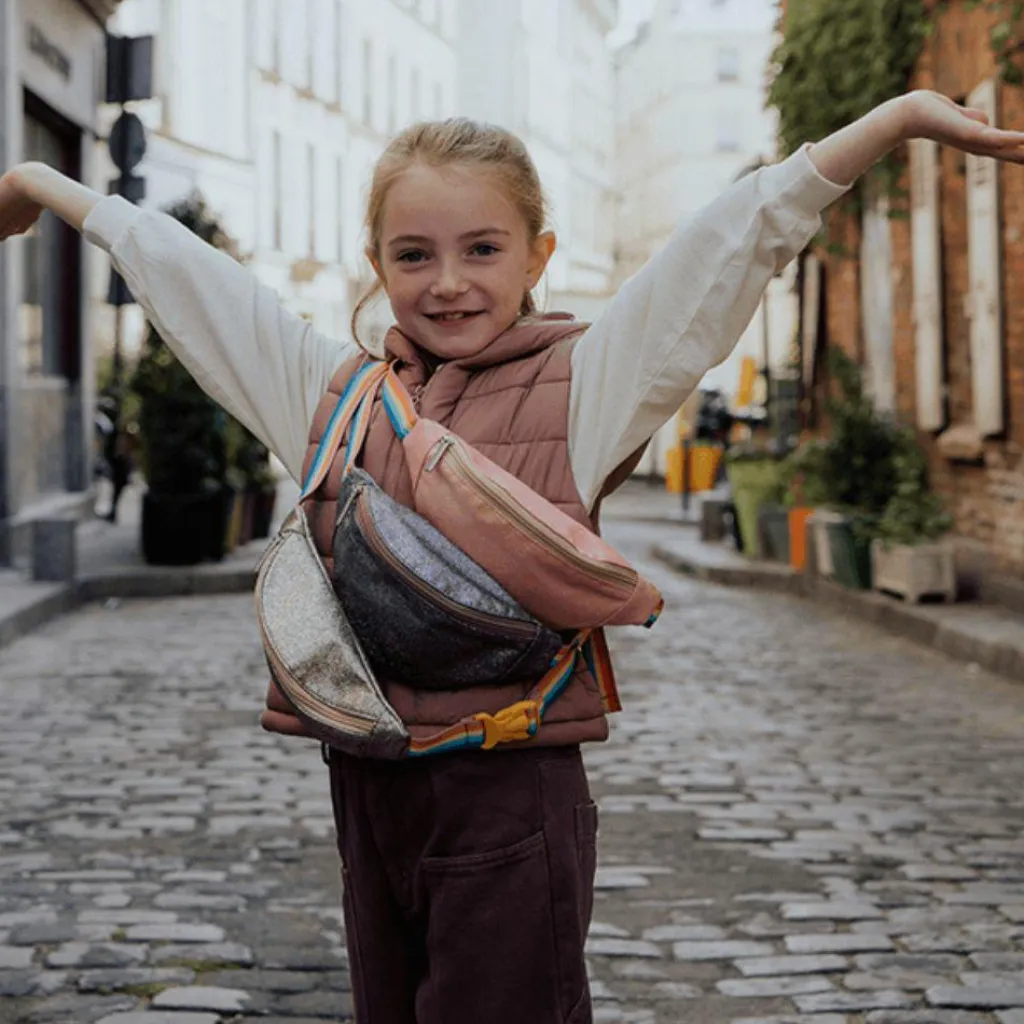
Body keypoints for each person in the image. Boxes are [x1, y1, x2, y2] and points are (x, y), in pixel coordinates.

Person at [2, 90, 1022, 1024]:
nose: (447, 284)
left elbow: (724, 250)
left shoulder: (588, 385)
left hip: (508, 789)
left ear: (538, 255)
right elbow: (201, 289)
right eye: (413, 256)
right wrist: (43, 184)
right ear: (376, 262)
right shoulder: (334, 394)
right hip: (369, 787)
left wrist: (890, 123)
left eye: (482, 249)